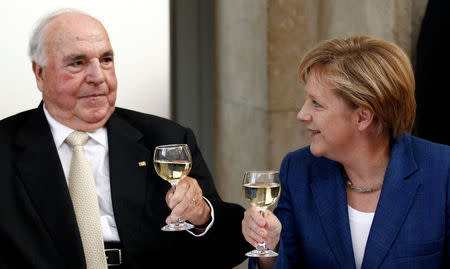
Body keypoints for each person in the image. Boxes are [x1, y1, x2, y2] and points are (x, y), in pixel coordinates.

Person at [0, 9, 249, 268]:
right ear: (39, 73)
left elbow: (229, 249)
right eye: (78, 63)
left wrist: (202, 216)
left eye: (106, 60)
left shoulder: (165, 140)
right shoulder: (5, 147)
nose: (98, 77)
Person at [242, 35, 450, 269]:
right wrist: (270, 246)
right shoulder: (298, 170)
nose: (302, 114)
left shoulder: (443, 172)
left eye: (316, 103)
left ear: (362, 117)